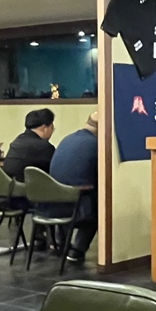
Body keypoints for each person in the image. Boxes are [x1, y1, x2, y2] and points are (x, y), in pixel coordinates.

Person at [50, 111, 101, 264]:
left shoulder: (67, 139)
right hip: (78, 206)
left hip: (53, 203)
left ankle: (61, 243)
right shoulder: (96, 145)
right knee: (101, 208)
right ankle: (77, 250)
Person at [2, 108, 56, 180]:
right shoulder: (45, 147)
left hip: (11, 185)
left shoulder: (17, 141)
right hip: (33, 186)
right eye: (52, 127)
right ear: (44, 128)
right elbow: (56, 171)